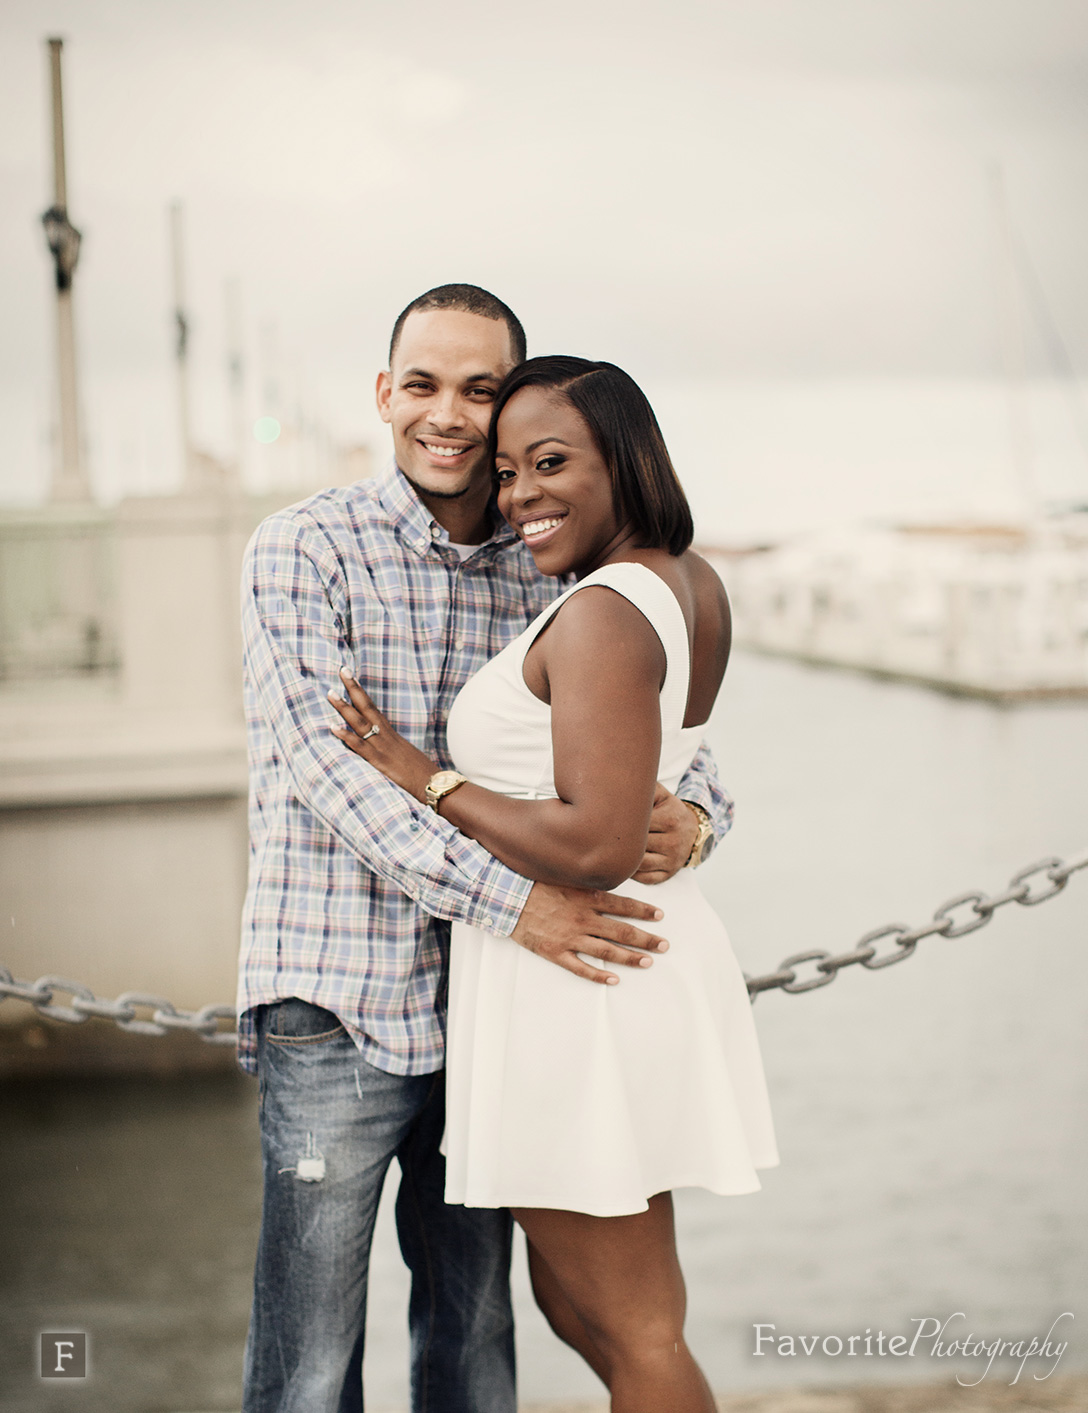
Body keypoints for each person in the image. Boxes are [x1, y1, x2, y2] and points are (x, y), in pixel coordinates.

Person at [237, 287, 735, 1413]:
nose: (450, 417)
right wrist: (522, 906)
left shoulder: (547, 558)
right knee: (310, 1361)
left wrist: (699, 821)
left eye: (479, 390)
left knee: (475, 1342)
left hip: (502, 1014)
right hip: (341, 1005)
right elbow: (333, 784)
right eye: (423, 384)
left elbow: (667, 754)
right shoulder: (303, 550)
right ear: (384, 395)